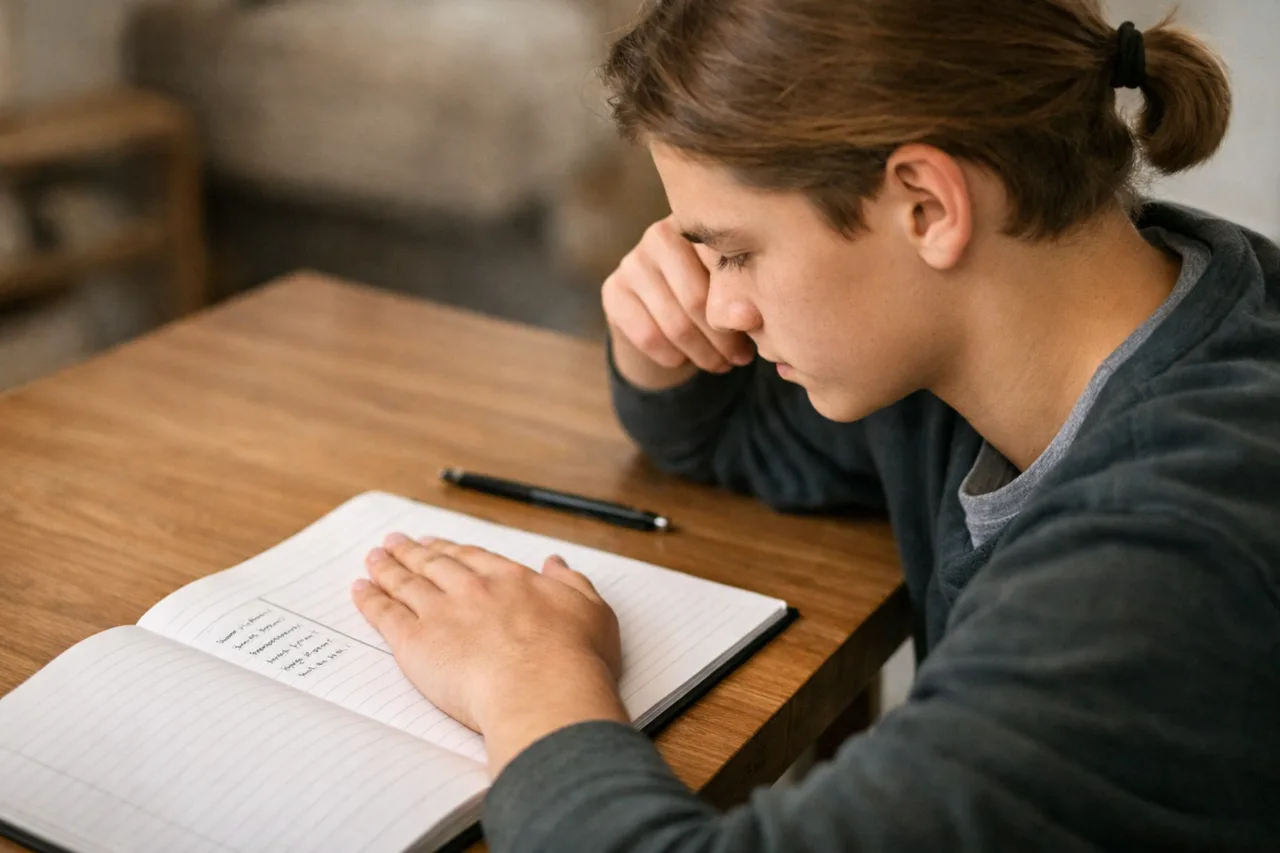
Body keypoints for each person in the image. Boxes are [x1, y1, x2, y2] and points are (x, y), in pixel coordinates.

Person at [350, 0, 1280, 849]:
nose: (724, 303)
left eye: (736, 252)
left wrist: (529, 681)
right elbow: (732, 443)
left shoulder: (1160, 564)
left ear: (926, 204)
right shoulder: (1053, 333)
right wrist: (660, 343)